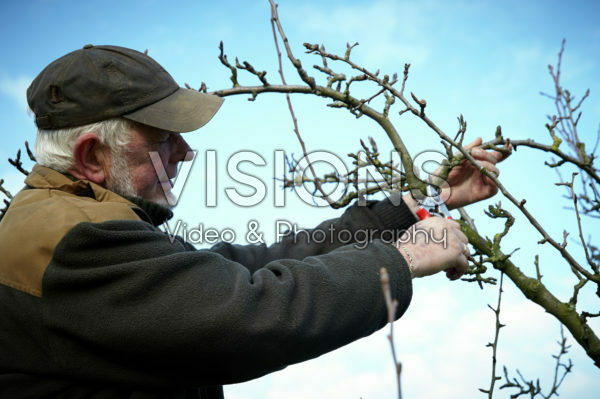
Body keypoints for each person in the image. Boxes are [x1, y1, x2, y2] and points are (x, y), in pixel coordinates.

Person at [0, 45, 507, 398]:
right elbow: (244, 313)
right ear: (92, 156)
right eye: (162, 137)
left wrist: (425, 204)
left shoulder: (83, 224)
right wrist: (405, 258)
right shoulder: (70, 242)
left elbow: (256, 266)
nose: (185, 151)